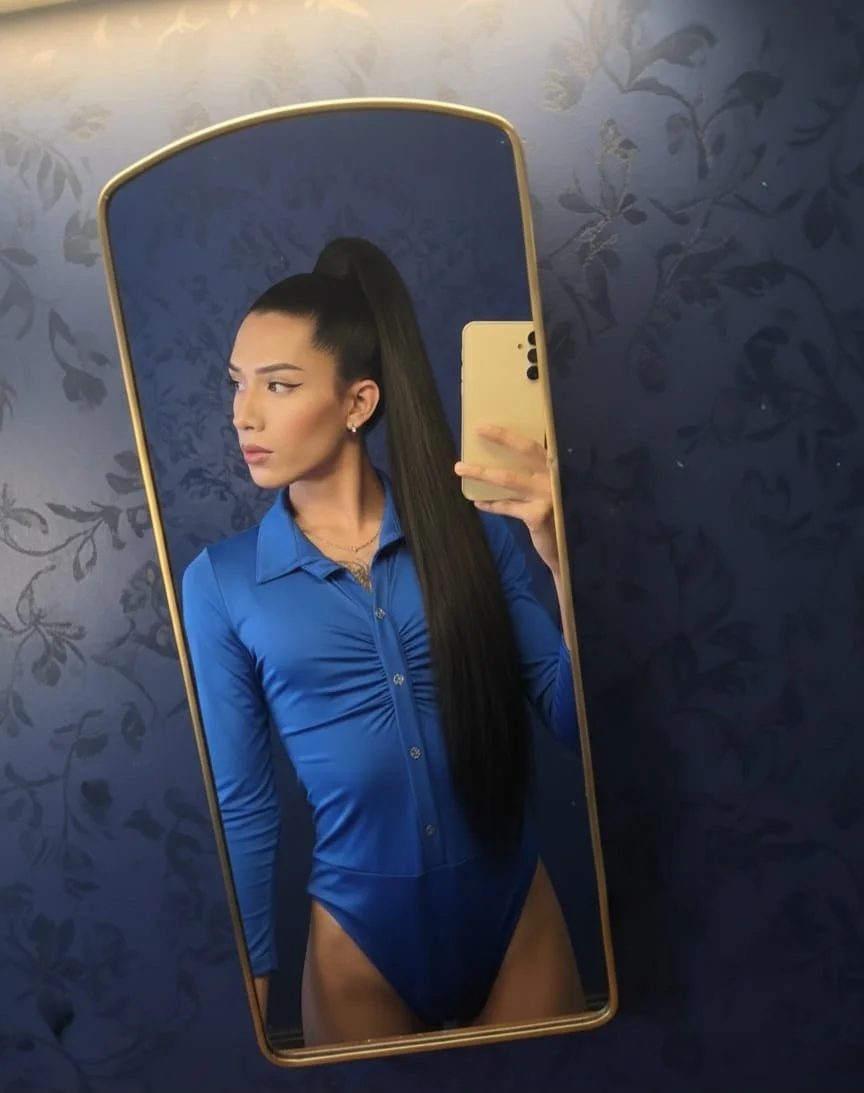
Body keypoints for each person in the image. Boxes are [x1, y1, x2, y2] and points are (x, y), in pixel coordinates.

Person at [181, 236, 584, 1047]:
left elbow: (574, 720)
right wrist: (253, 976)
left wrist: (561, 565)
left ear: (357, 402)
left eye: (278, 384)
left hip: (517, 916)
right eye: (238, 382)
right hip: (359, 943)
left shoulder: (475, 534)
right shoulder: (220, 582)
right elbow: (243, 799)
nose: (244, 413)